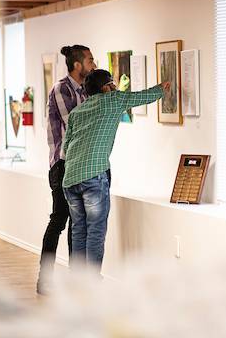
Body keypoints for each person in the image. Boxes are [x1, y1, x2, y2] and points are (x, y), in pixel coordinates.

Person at [62, 69, 170, 272]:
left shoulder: (77, 112)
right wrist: (161, 89)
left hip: (70, 178)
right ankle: (91, 284)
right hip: (93, 176)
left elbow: (65, 148)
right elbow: (141, 97)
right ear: (106, 87)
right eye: (112, 84)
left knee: (78, 231)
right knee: (95, 231)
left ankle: (77, 284)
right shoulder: (112, 100)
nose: (114, 88)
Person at [37, 45, 96, 295]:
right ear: (77, 65)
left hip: (79, 164)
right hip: (62, 165)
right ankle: (44, 279)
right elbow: (75, 120)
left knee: (78, 223)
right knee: (59, 220)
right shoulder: (61, 89)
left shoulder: (86, 90)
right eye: (90, 60)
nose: (94, 64)